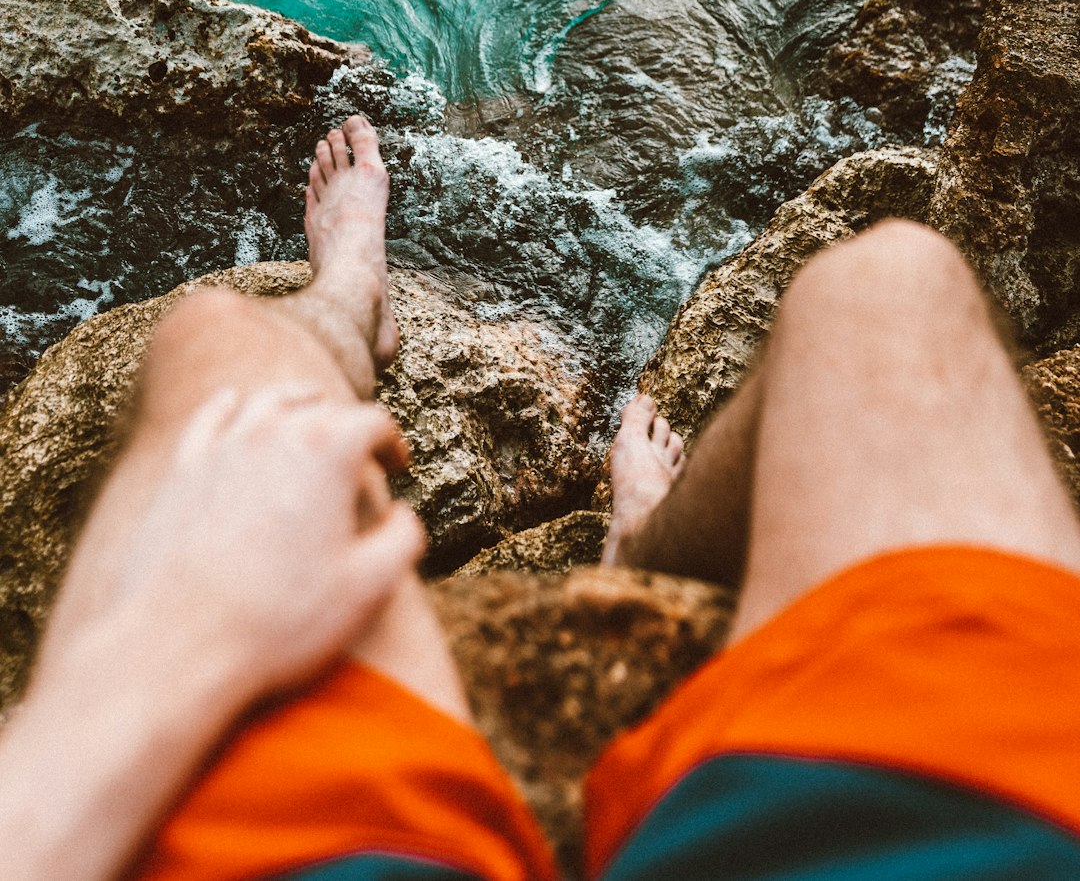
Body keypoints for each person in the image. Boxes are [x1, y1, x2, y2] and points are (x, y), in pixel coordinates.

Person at [3, 113, 1080, 880]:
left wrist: (174, 639)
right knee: (892, 284)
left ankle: (344, 301)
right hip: (963, 840)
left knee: (224, 347)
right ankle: (645, 546)